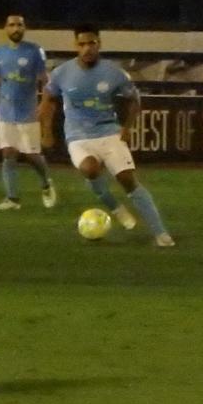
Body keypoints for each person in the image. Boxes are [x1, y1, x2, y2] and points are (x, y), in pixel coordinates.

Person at [38, 24, 174, 247]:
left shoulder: (114, 73)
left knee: (127, 180)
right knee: (90, 169)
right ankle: (114, 206)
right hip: (78, 136)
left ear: (99, 43)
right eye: (82, 44)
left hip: (109, 132)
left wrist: (127, 128)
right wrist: (46, 132)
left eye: (91, 43)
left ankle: (161, 233)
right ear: (75, 46)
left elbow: (134, 100)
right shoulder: (62, 73)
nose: (87, 48)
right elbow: (48, 99)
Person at [0, 14, 56, 210]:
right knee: (8, 153)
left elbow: (45, 80)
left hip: (28, 111)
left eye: (19, 25)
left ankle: (47, 183)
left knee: (31, 155)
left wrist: (44, 103)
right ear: (5, 28)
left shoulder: (34, 51)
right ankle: (12, 198)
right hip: (5, 111)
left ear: (25, 28)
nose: (16, 28)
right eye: (12, 25)